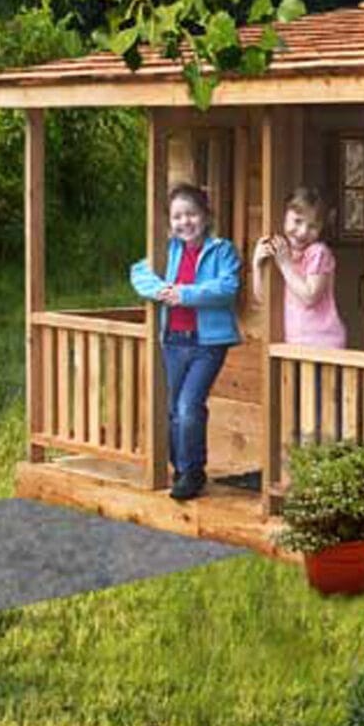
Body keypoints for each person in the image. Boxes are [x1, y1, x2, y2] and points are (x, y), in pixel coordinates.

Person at [130, 182, 241, 501]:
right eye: (178, 217)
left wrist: (186, 294)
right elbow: (138, 272)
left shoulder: (222, 250)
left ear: (205, 217)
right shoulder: (169, 250)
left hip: (208, 344)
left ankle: (192, 472)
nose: (185, 222)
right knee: (172, 409)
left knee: (188, 407)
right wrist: (160, 289)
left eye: (191, 214)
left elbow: (227, 287)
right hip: (174, 342)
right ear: (170, 222)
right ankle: (181, 468)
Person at [251, 186, 347, 350]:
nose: (303, 232)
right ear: (284, 216)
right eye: (297, 221)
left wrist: (285, 265)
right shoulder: (283, 251)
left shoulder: (318, 252)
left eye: (312, 226)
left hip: (322, 344)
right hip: (294, 344)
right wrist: (257, 264)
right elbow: (263, 298)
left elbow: (310, 296)